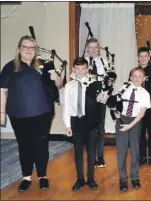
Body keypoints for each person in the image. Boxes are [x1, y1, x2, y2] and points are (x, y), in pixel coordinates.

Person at [0, 35, 63, 192]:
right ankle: (26, 177)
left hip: (43, 113)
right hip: (18, 115)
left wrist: (57, 78)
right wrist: (1, 112)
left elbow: (59, 84)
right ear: (19, 48)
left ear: (36, 50)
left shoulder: (45, 64)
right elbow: (2, 90)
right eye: (25, 47)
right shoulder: (10, 67)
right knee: (24, 145)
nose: (28, 50)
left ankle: (42, 176)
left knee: (41, 145)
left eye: (32, 47)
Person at [63, 57, 102, 191]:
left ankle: (90, 178)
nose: (80, 71)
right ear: (73, 69)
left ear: (87, 70)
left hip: (90, 121)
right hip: (76, 121)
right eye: (77, 69)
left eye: (83, 68)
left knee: (91, 152)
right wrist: (67, 125)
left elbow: (102, 99)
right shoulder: (69, 86)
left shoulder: (93, 83)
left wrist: (102, 95)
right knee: (78, 152)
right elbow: (67, 107)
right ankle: (80, 178)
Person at [115, 67, 151, 191]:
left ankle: (135, 178)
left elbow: (141, 114)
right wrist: (117, 113)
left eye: (140, 76)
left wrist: (130, 125)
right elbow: (116, 104)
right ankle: (123, 179)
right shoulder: (123, 89)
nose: (137, 79)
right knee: (121, 151)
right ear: (130, 78)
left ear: (144, 79)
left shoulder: (145, 94)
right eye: (134, 76)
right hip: (122, 120)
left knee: (135, 151)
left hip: (135, 121)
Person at [85, 37, 113, 168]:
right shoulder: (82, 62)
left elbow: (110, 82)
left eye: (95, 47)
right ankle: (91, 156)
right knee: (89, 128)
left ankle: (100, 156)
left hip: (101, 98)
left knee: (100, 128)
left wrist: (104, 93)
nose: (93, 50)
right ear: (87, 48)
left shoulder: (105, 62)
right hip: (88, 100)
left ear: (99, 47)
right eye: (90, 47)